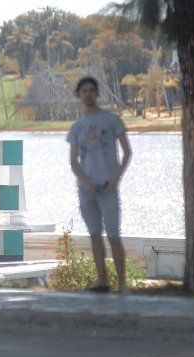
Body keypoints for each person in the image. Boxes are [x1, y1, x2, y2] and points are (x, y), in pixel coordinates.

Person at [67, 76, 132, 294]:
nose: (88, 94)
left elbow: (127, 152)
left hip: (108, 187)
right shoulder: (77, 127)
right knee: (95, 234)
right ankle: (102, 281)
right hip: (87, 189)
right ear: (78, 95)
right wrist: (85, 183)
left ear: (97, 93)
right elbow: (73, 162)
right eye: (84, 91)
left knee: (113, 235)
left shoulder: (111, 120)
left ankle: (122, 284)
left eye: (92, 90)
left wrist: (116, 178)